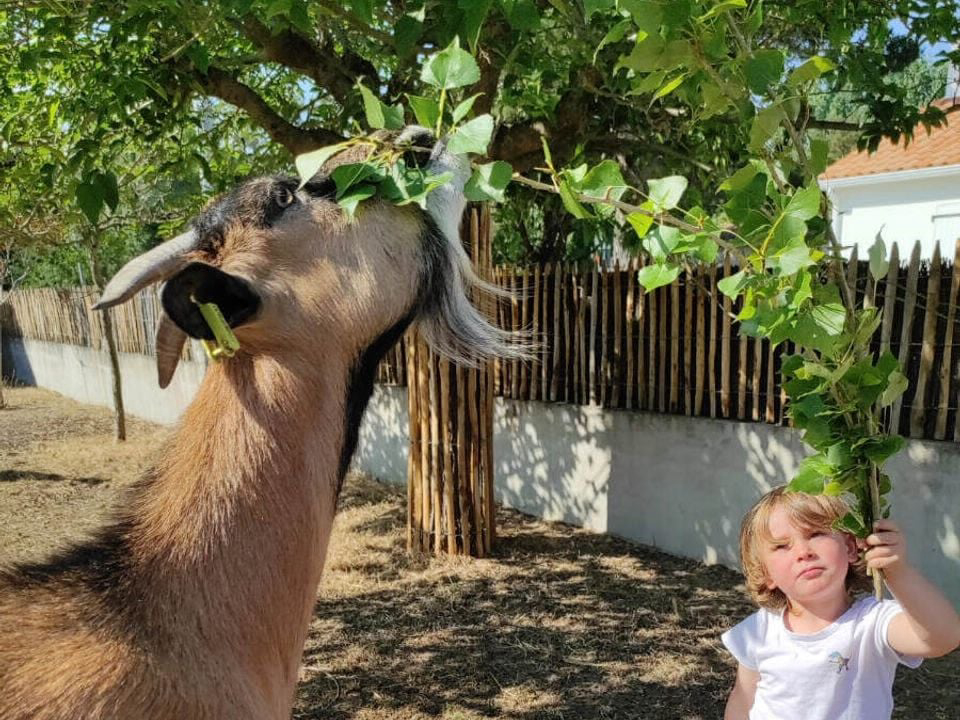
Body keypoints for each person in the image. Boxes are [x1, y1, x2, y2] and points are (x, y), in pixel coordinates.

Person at [721, 485, 960, 719]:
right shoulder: (758, 631)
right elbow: (743, 700)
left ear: (849, 547)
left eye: (816, 534)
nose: (803, 551)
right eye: (782, 546)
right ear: (766, 573)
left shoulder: (873, 623)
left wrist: (896, 571)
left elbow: (943, 637)